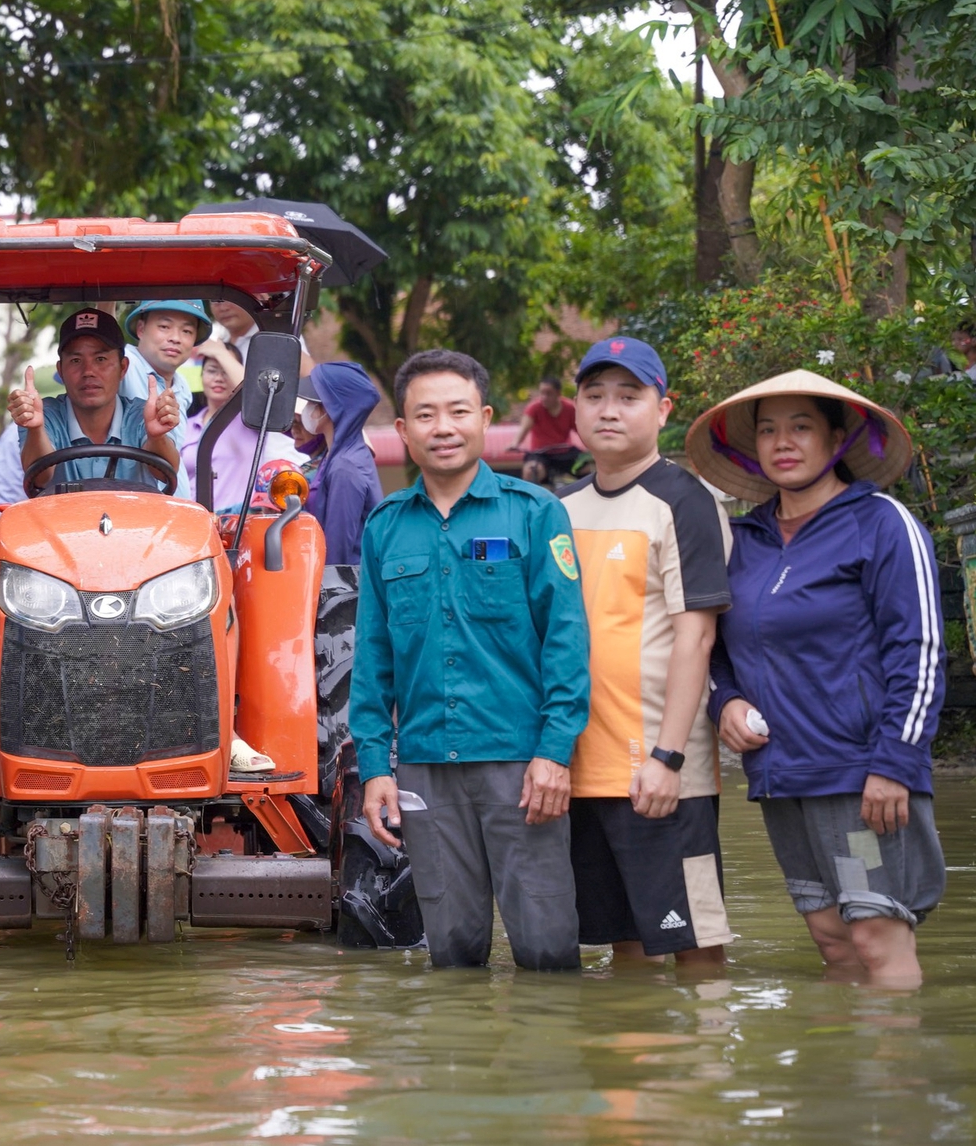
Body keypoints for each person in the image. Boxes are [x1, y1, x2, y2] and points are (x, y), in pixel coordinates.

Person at [687, 369, 946, 988]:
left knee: (876, 935)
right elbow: (716, 649)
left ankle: (895, 1077)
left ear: (836, 439)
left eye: (801, 426)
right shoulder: (743, 540)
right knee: (832, 939)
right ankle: (842, 1084)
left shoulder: (881, 523)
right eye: (769, 430)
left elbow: (921, 650)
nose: (783, 441)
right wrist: (725, 701)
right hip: (780, 774)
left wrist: (894, 765)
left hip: (860, 773)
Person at [350, 349, 592, 971]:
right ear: (403, 431)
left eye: (458, 411)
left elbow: (566, 641)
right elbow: (373, 656)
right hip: (427, 767)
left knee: (547, 952)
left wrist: (554, 753)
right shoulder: (384, 527)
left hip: (522, 767)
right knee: (451, 957)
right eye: (425, 415)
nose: (444, 427)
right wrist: (377, 766)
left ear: (485, 419)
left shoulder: (536, 513)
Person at [560, 338, 734, 968]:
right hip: (579, 770)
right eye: (595, 395)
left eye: (629, 397)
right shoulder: (559, 509)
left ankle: (703, 1060)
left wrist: (668, 756)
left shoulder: (686, 502)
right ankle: (632, 1063)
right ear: (574, 409)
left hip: (660, 772)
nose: (609, 410)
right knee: (624, 948)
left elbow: (699, 636)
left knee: (696, 944)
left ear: (664, 409)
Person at [8, 308, 181, 493]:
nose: (88, 371)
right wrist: (35, 429)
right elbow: (39, 477)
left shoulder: (141, 414)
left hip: (138, 522)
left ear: (123, 368)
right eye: (76, 360)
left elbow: (166, 474)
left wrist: (156, 437)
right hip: (59, 522)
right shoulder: (45, 414)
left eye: (100, 359)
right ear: (61, 370)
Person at [181, 341, 310, 512]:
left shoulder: (250, 420)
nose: (218, 378)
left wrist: (221, 353)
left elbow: (256, 394)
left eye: (225, 371)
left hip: (236, 522)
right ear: (201, 375)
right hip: (192, 521)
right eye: (212, 371)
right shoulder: (186, 425)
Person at [298, 361, 383, 566]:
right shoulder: (333, 456)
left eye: (315, 403)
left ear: (334, 409)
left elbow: (337, 556)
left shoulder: (345, 467)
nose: (307, 410)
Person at [120, 300, 208, 449]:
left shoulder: (182, 385)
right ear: (141, 329)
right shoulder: (123, 365)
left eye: (186, 331)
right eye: (164, 327)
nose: (175, 338)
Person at [518, 376, 582, 486]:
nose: (544, 397)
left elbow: (582, 430)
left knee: (588, 466)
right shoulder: (534, 408)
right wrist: (515, 443)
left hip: (565, 453)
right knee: (530, 471)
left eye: (548, 393)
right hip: (541, 454)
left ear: (558, 394)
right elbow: (524, 428)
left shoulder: (570, 408)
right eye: (542, 393)